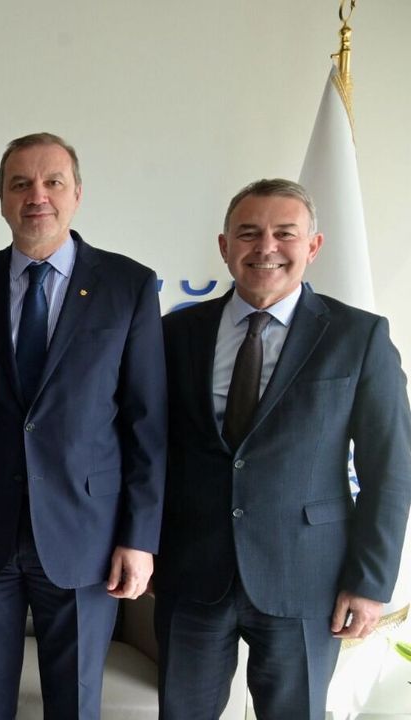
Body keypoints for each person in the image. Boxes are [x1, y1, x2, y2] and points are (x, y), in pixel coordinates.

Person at [154, 178, 411, 719]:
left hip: (308, 579)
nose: (265, 247)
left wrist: (369, 583)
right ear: (224, 246)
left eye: (284, 234)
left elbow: (390, 468)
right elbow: (150, 450)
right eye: (248, 233)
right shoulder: (175, 334)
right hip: (192, 572)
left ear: (313, 246)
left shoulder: (358, 336)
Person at [0, 132, 167, 718]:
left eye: (52, 182)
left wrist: (139, 538)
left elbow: (146, 423)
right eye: (20, 184)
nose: (36, 196)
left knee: (74, 702)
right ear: (1, 199)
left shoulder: (128, 285)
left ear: (77, 194)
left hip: (86, 533)